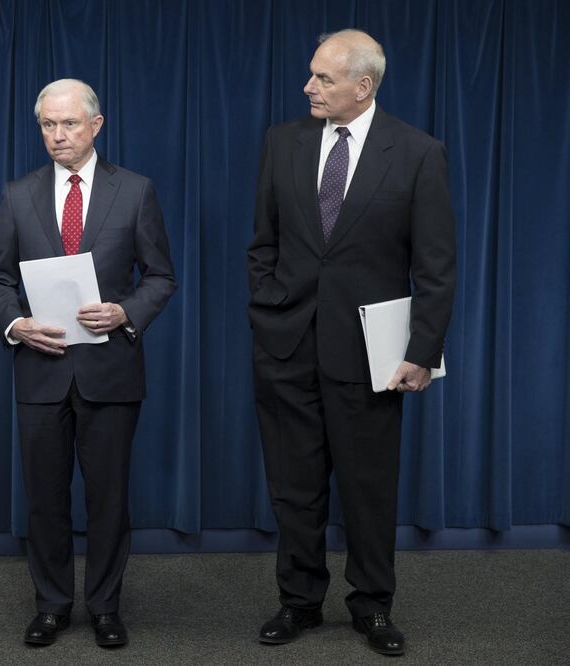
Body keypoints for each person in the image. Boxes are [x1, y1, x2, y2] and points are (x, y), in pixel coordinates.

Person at [247, 29, 455, 656]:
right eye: (311, 74)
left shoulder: (418, 153)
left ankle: (372, 606)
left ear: (363, 86)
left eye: (323, 78)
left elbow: (435, 267)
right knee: (294, 489)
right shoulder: (282, 142)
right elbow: (263, 244)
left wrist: (422, 352)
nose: (308, 87)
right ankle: (299, 601)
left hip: (372, 357)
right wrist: (266, 311)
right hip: (287, 347)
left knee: (368, 490)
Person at [0, 79, 176, 648]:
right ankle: (51, 606)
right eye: (48, 125)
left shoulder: (135, 191)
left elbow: (161, 276)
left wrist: (125, 311)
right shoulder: (18, 194)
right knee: (45, 499)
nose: (58, 135)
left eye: (68, 124)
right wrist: (15, 324)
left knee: (108, 499)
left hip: (111, 369)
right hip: (40, 370)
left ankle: (106, 607)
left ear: (96, 125)